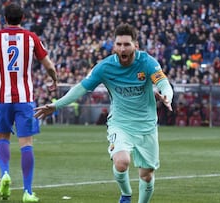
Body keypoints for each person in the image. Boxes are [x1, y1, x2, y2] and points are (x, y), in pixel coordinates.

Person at [34, 23, 173, 203]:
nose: (122, 48)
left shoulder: (147, 62)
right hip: (120, 123)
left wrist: (167, 96)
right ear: (114, 46)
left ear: (135, 46)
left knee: (146, 175)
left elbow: (163, 83)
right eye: (119, 44)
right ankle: (126, 195)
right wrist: (56, 105)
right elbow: (81, 88)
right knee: (121, 162)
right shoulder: (105, 67)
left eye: (127, 44)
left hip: (146, 125)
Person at [0, 3, 58, 202]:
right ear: (23, 18)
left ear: (5, 18)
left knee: (3, 138)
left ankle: (4, 173)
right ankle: (28, 192)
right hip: (25, 99)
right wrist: (54, 80)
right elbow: (49, 65)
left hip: (2, 98)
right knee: (26, 144)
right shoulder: (31, 38)